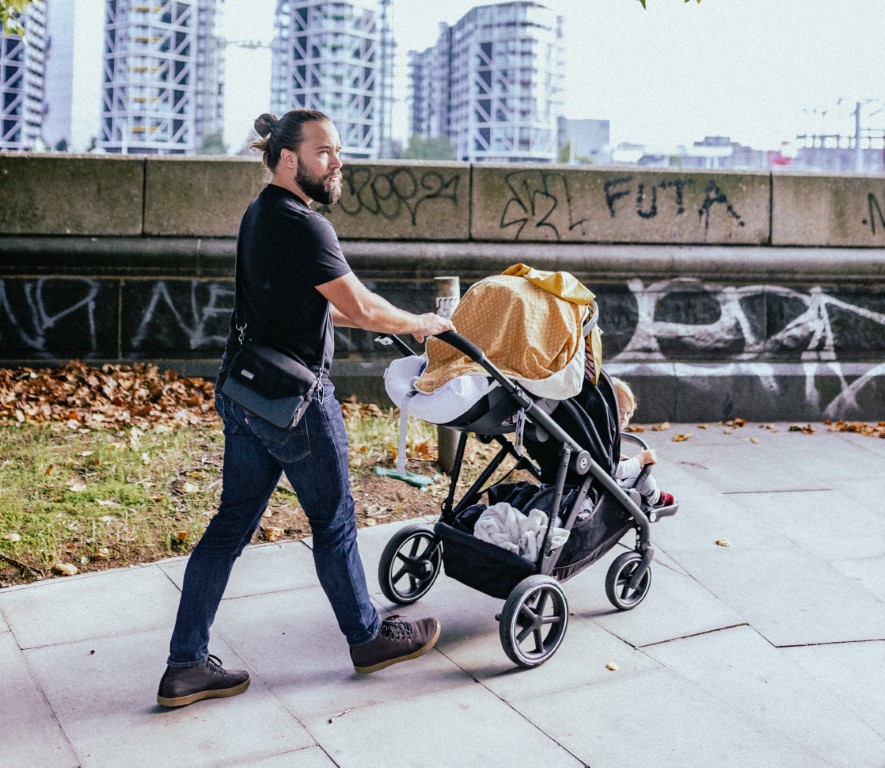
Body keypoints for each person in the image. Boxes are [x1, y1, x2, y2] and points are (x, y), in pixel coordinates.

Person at [156, 109, 455, 708]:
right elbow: (364, 307)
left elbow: (323, 304)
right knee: (335, 519)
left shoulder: (261, 213)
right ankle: (368, 638)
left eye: (337, 151)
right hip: (296, 404)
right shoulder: (305, 224)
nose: (337, 162)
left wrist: (377, 323)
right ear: (289, 159)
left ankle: (185, 665)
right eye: (325, 152)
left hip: (247, 393)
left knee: (231, 525)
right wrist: (419, 323)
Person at [610, 377, 675, 509]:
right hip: (604, 488)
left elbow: (605, 457)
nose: (625, 419)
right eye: (619, 412)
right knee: (646, 480)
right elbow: (616, 470)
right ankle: (656, 498)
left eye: (628, 413)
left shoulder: (591, 432)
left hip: (596, 480)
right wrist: (640, 460)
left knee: (633, 471)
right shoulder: (601, 433)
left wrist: (624, 459)